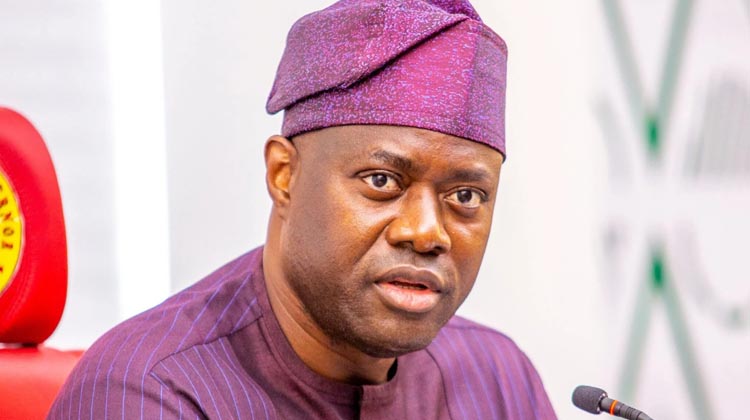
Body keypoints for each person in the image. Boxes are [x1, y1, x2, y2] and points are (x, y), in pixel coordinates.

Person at [49, 0, 557, 418]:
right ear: (283, 175)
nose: (426, 232)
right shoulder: (153, 391)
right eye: (382, 181)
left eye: (465, 196)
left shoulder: (498, 378)